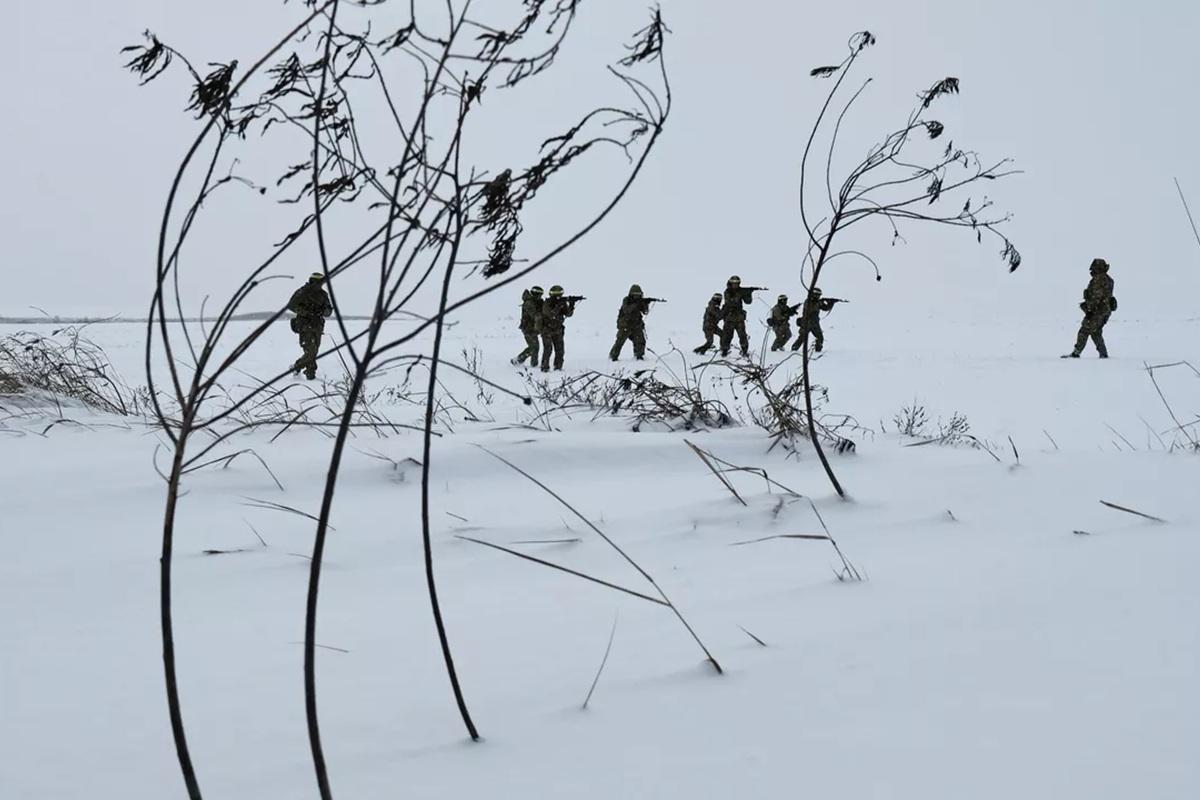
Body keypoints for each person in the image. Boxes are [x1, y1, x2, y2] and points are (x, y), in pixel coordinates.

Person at [1064, 258, 1116, 358]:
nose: (1092, 270)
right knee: (1095, 332)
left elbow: (1097, 296)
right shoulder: (1109, 279)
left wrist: (1089, 309)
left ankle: (1076, 352)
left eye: (1094, 268)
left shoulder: (1099, 279)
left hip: (1097, 311)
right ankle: (1103, 354)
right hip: (1105, 311)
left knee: (1084, 330)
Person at [288, 272, 332, 380]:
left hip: (317, 326)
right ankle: (309, 372)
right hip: (305, 325)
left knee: (314, 351)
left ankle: (301, 368)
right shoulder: (302, 292)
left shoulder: (323, 294)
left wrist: (322, 311)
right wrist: (306, 312)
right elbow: (291, 306)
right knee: (311, 351)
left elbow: (329, 311)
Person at [719, 275, 762, 357]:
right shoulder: (727, 292)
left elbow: (748, 302)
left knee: (742, 336)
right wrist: (741, 293)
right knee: (727, 336)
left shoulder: (740, 291)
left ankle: (744, 351)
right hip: (729, 318)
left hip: (739, 318)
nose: (735, 285)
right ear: (730, 283)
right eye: (733, 283)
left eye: (737, 283)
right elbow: (731, 302)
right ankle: (724, 350)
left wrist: (749, 293)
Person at [539, 285, 577, 372]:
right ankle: (544, 368)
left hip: (558, 330)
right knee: (548, 349)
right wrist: (558, 306)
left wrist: (571, 305)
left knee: (560, 350)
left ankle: (558, 367)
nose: (558, 297)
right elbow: (551, 314)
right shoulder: (547, 303)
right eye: (557, 295)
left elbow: (568, 314)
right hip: (546, 330)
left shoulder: (562, 303)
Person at [609, 284, 652, 361]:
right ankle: (613, 356)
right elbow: (627, 310)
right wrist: (637, 304)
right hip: (625, 325)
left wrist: (646, 304)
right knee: (620, 341)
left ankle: (639, 355)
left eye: (638, 295)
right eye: (635, 295)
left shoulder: (639, 302)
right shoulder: (626, 300)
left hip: (636, 324)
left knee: (640, 340)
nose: (637, 296)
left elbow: (645, 312)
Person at [791, 287, 839, 353]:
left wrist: (830, 303)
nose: (819, 296)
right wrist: (820, 302)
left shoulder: (817, 302)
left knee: (820, 337)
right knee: (802, 338)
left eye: (819, 295)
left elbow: (825, 308)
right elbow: (811, 309)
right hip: (807, 323)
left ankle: (817, 351)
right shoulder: (808, 301)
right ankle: (793, 350)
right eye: (817, 295)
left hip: (815, 323)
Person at [512, 285, 544, 366]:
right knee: (534, 347)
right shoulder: (529, 303)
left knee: (534, 347)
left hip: (532, 328)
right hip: (528, 328)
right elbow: (535, 315)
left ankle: (532, 363)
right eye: (540, 295)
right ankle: (519, 360)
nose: (540, 297)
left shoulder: (534, 301)